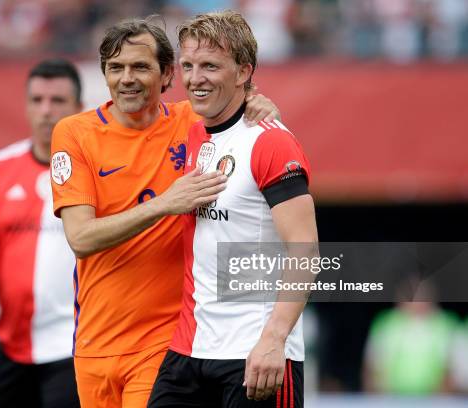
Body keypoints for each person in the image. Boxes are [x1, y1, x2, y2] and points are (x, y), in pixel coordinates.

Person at [51, 17, 280, 408]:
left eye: (140, 67)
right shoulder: (74, 134)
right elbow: (81, 238)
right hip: (93, 343)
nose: (127, 78)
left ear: (167, 74)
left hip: (166, 343)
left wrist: (258, 103)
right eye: (115, 67)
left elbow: (242, 113)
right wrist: (165, 204)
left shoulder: (195, 122)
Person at [148, 11, 318, 406]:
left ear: (243, 72)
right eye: (188, 66)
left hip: (256, 355)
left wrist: (274, 340)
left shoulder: (272, 142)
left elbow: (305, 250)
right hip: (189, 352)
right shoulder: (189, 133)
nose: (195, 78)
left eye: (210, 66)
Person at [0, 59, 82, 408]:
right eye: (37, 100)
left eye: (58, 101)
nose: (46, 111)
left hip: (74, 346)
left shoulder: (95, 172)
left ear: (79, 108)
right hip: (11, 345)